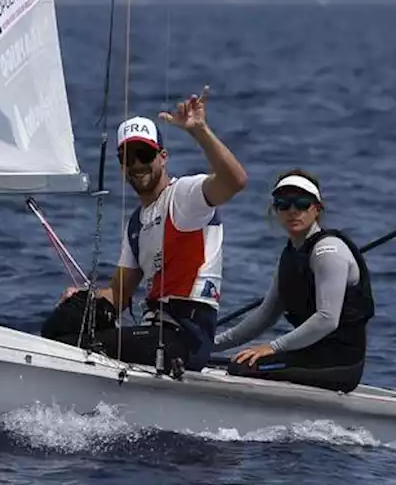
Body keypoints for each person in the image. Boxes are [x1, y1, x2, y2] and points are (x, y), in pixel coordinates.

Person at [43, 85, 248, 374]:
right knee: (61, 326)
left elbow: (235, 181)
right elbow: (119, 293)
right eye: (128, 157)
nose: (137, 164)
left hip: (184, 338)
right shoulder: (136, 223)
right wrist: (82, 298)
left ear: (162, 157)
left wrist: (199, 130)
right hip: (153, 332)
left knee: (81, 344)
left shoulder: (184, 196)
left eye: (144, 154)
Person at [213, 169, 375, 393]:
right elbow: (264, 316)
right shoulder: (289, 255)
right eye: (283, 204)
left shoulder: (328, 252)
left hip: (339, 363)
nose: (293, 211)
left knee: (242, 366)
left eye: (301, 203)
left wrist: (272, 347)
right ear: (275, 210)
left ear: (317, 209)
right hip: (309, 355)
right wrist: (209, 345)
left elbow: (327, 319)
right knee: (221, 360)